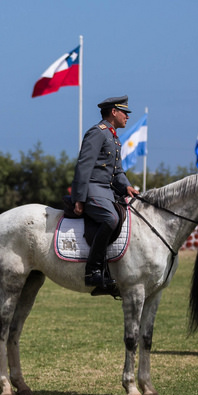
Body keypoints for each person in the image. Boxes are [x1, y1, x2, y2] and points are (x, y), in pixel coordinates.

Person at [72, 95, 139, 297]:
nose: (127, 116)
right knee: (111, 219)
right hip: (93, 190)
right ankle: (93, 271)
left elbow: (117, 172)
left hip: (108, 193)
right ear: (114, 112)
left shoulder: (113, 138)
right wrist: (79, 198)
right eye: (124, 112)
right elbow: (84, 166)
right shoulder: (98, 133)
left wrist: (127, 187)